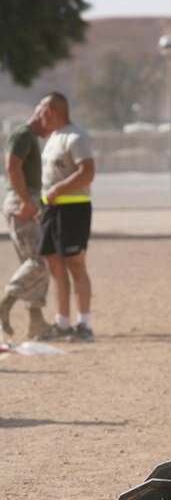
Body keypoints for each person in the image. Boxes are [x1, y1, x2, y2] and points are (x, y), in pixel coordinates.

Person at [35, 92, 95, 342]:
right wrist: (44, 203)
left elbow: (87, 173)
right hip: (51, 210)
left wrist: (58, 190)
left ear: (50, 111)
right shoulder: (52, 138)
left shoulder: (76, 136)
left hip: (73, 209)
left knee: (75, 265)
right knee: (53, 264)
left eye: (40, 112)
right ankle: (62, 323)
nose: (38, 117)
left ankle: (84, 325)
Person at [0, 109, 51, 340]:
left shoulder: (28, 136)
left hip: (27, 200)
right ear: (44, 114)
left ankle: (36, 322)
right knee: (38, 261)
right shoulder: (23, 134)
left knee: (32, 263)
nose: (51, 131)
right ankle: (5, 303)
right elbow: (12, 166)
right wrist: (25, 201)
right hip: (22, 201)